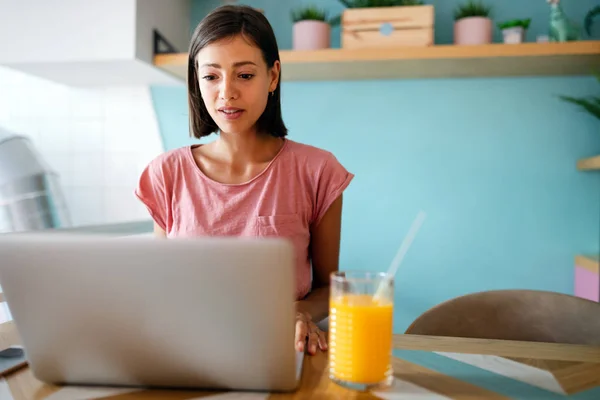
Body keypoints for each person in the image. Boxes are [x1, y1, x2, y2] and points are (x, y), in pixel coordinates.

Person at [135, 5, 354, 356]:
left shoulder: (318, 171)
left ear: (273, 76)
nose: (227, 93)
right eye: (211, 76)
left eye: (245, 75)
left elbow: (329, 286)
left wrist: (296, 313)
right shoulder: (166, 174)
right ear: (197, 81)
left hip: (278, 351)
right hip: (186, 352)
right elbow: (164, 284)